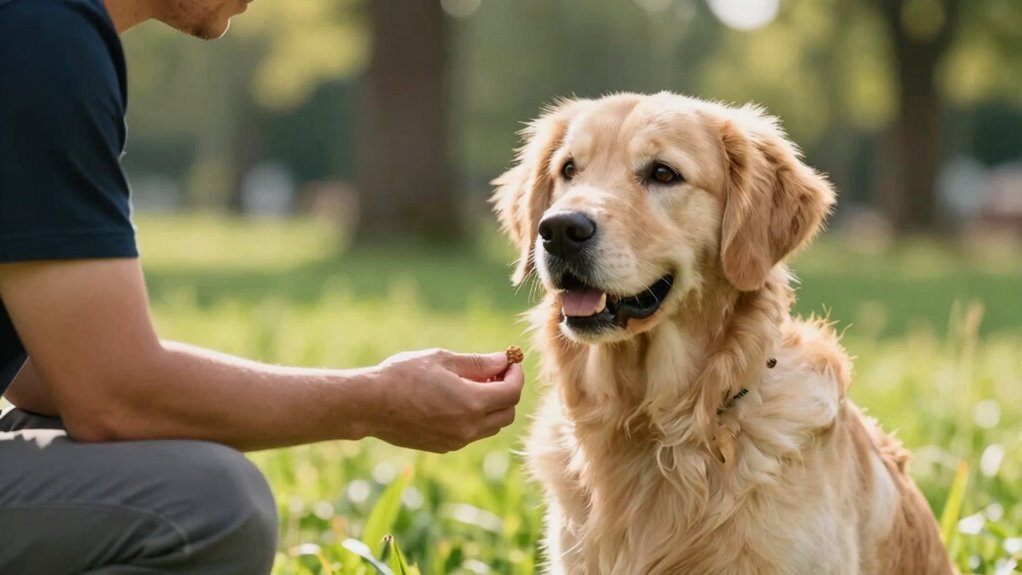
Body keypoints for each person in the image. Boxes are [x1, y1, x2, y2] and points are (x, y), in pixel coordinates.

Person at [0, 0, 526, 573]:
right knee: (210, 504)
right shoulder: (42, 40)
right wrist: (378, 401)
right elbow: (112, 398)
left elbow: (46, 372)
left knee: (118, 444)